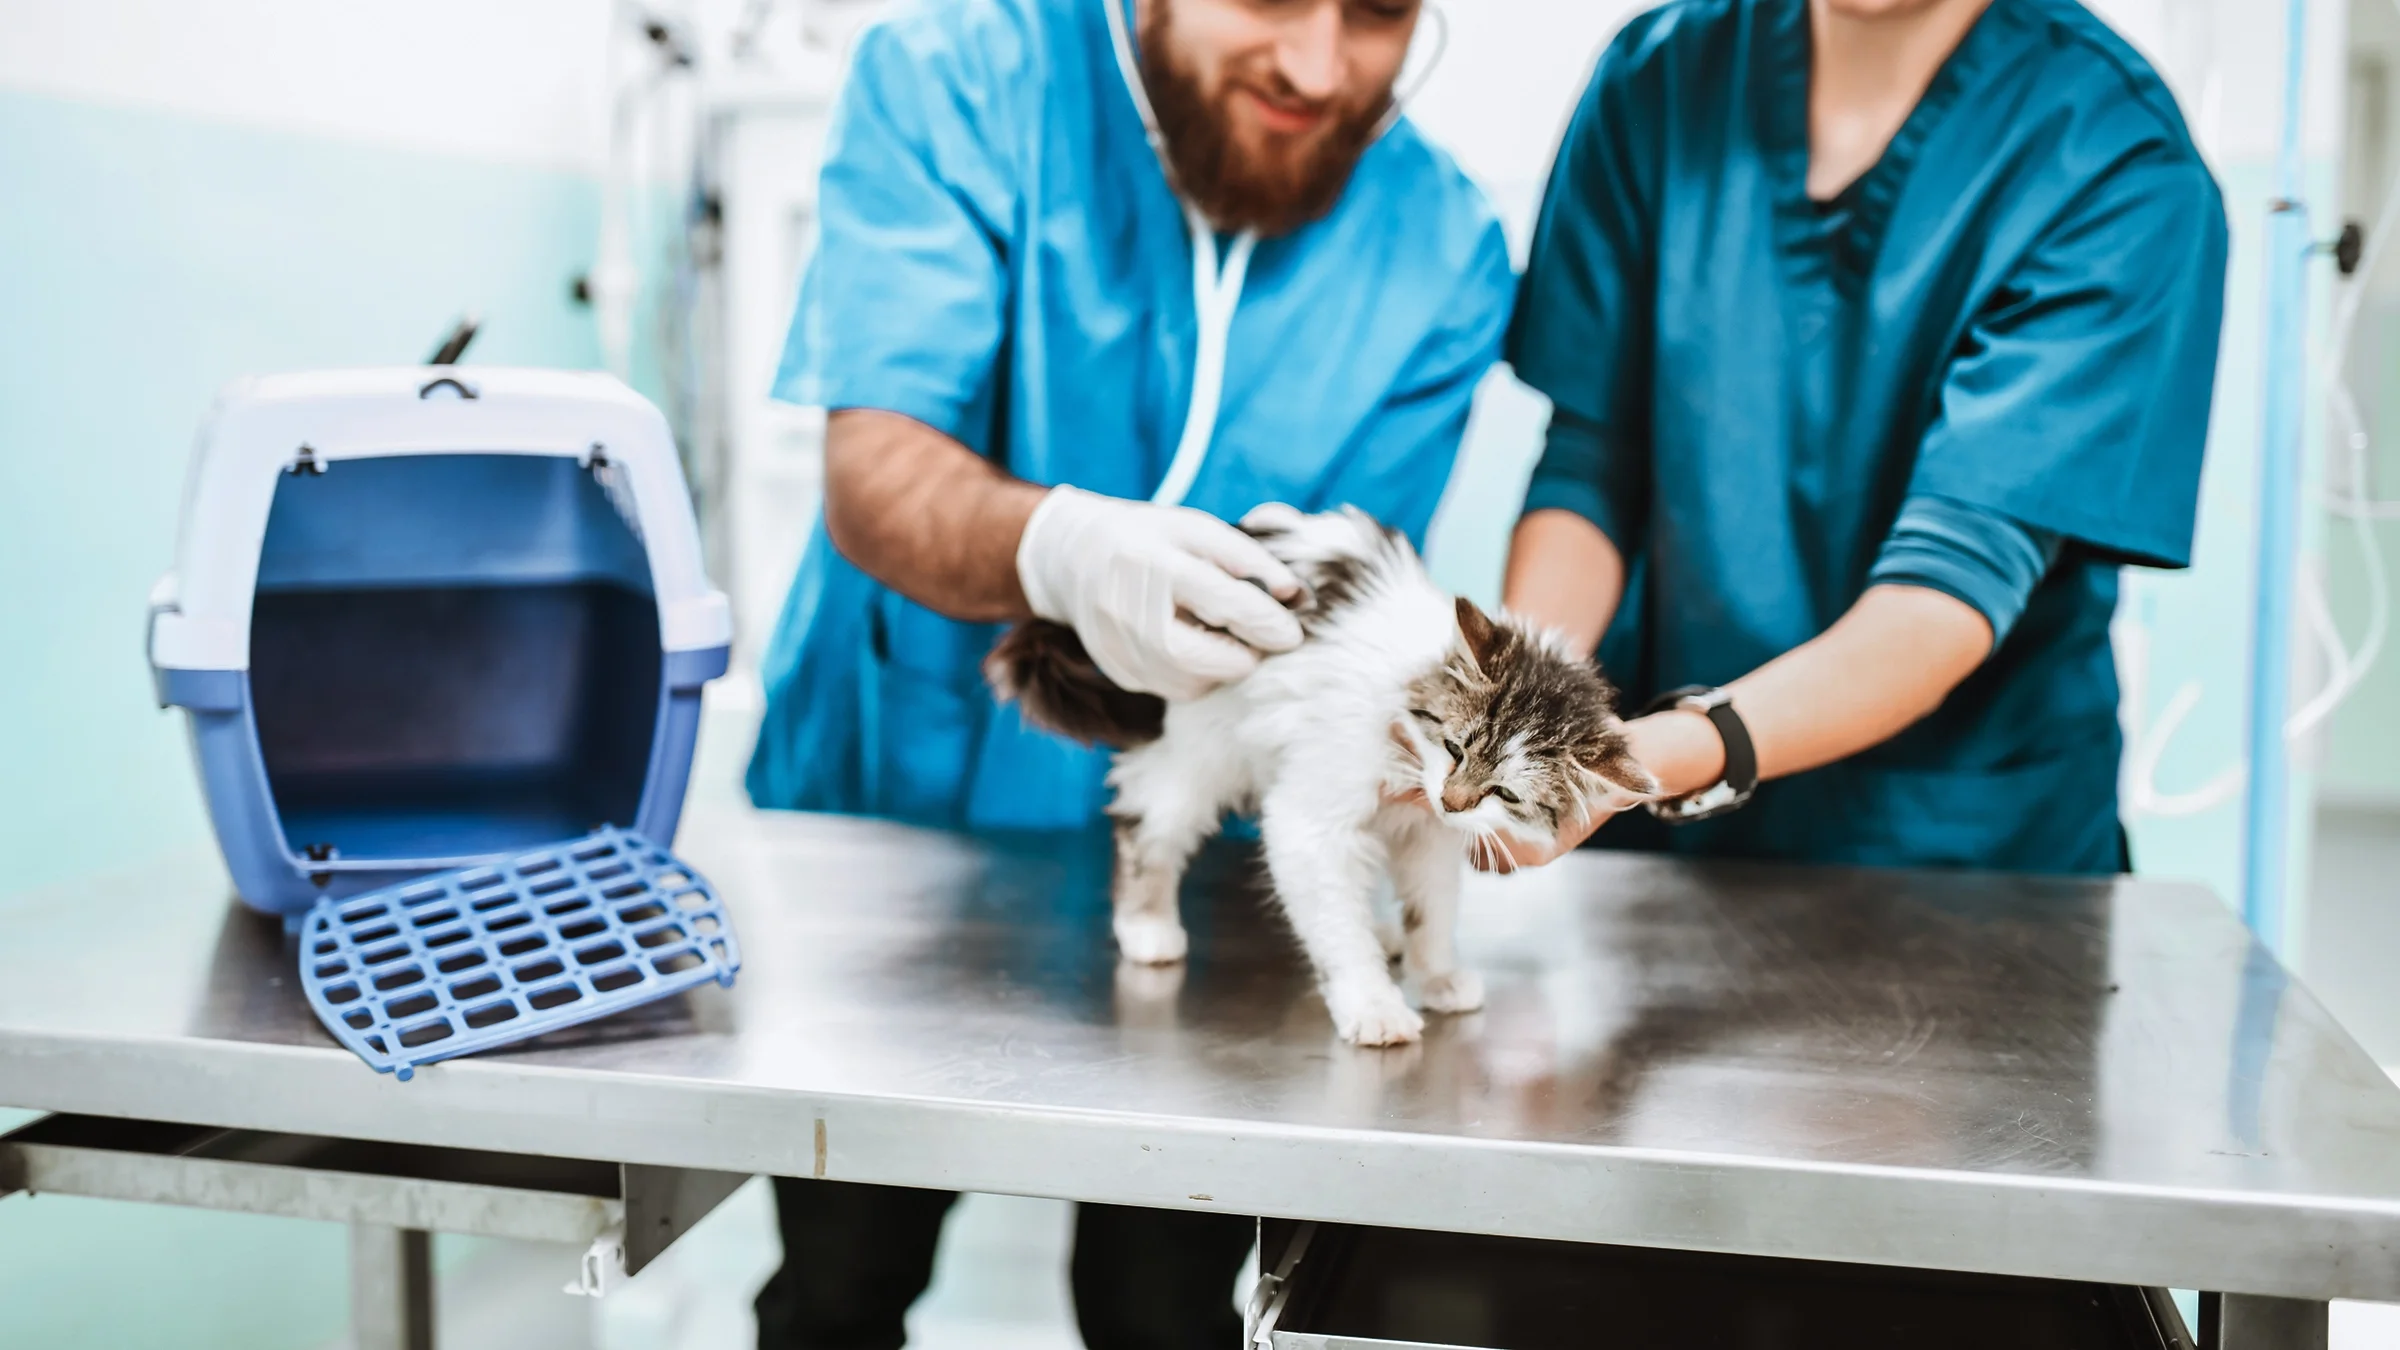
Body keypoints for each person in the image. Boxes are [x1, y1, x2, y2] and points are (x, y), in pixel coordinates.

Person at [743, 0, 1514, 1344]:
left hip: (1211, 872)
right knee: (840, 1285)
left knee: (1166, 1312)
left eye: (1383, 12)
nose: (1320, 67)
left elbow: (1336, 635)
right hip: (902, 827)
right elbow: (877, 475)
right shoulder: (961, 81)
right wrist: (1055, 547)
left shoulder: (1441, 249)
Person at [1490, 0, 2227, 876]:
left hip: (1966, 864)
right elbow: (1590, 464)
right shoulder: (1658, 78)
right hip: (1671, 859)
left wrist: (1637, 762)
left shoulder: (2113, 156)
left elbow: (1953, 578)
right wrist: (1513, 708)